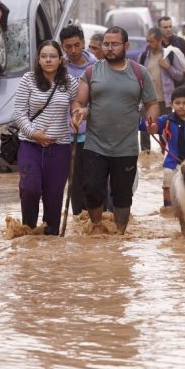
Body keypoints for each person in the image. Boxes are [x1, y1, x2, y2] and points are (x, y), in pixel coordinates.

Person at [71, 26, 159, 234]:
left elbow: (151, 103)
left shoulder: (139, 73)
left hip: (126, 146)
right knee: (92, 190)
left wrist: (152, 120)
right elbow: (78, 101)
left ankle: (120, 235)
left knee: (122, 195)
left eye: (114, 44)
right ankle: (97, 228)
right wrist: (78, 112)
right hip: (95, 144)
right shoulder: (92, 71)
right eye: (106, 44)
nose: (109, 48)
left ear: (126, 46)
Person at [14, 40, 78, 235]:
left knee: (54, 196)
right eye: (44, 56)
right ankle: (29, 232)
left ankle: (50, 241)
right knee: (30, 189)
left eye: (52, 56)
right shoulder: (28, 79)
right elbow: (19, 113)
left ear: (60, 60)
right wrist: (35, 134)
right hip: (30, 145)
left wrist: (76, 116)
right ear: (38, 59)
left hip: (60, 148)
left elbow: (78, 105)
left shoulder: (70, 82)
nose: (48, 60)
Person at [141, 86, 185, 211]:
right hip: (172, 162)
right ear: (171, 104)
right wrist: (149, 126)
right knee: (168, 183)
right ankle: (168, 207)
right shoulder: (166, 120)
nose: (181, 106)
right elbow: (154, 127)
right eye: (177, 103)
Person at [59, 24, 96, 215]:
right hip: (67, 135)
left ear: (83, 43)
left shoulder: (96, 67)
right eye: (68, 47)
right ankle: (78, 220)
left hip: (93, 135)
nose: (73, 50)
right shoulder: (58, 68)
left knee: (93, 182)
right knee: (74, 183)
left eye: (76, 45)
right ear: (62, 46)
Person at [138, 27, 185, 152]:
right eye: (147, 41)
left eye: (151, 41)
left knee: (165, 130)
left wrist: (168, 67)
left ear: (160, 40)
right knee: (144, 129)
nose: (148, 44)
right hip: (147, 100)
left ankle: (165, 155)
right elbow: (137, 78)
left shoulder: (169, 55)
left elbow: (180, 75)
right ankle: (146, 159)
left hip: (165, 100)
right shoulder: (143, 56)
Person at [158, 16, 185, 85]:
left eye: (170, 26)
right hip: (162, 85)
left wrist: (184, 73)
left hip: (179, 84)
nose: (168, 29)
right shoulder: (156, 44)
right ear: (159, 28)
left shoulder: (181, 42)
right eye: (165, 27)